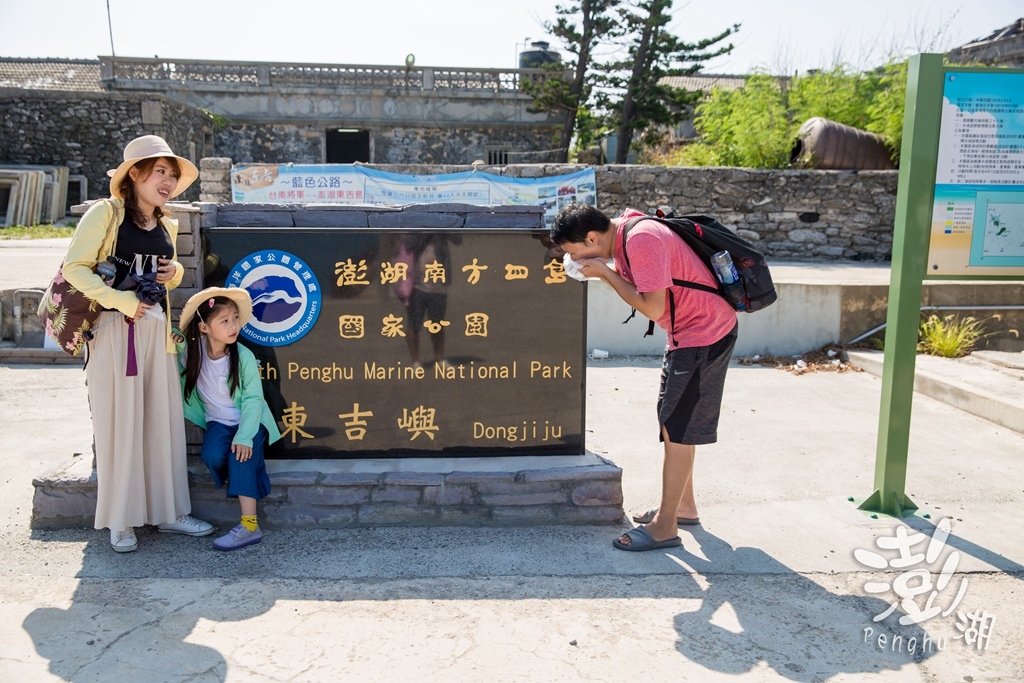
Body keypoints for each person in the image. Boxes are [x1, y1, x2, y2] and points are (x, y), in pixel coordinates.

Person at [550, 203, 738, 552]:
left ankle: (665, 527)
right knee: (672, 423)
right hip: (686, 334)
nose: (575, 261)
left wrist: (605, 274)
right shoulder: (626, 231)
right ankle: (683, 506)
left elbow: (653, 308)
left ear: (592, 238)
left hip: (703, 333)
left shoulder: (641, 241)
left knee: (678, 427)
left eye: (575, 253)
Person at [61, 135, 213, 552]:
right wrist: (120, 300)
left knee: (161, 423)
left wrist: (173, 274)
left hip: (156, 330)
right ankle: (121, 520)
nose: (167, 180)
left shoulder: (166, 222)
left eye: (171, 174)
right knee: (120, 424)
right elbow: (75, 267)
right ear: (134, 175)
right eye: (159, 171)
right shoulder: (105, 214)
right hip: (114, 331)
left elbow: (170, 270)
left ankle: (169, 513)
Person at [175, 287, 282, 551]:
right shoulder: (192, 353)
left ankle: (249, 526)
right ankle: (243, 477)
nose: (234, 325)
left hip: (250, 422)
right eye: (224, 321)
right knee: (212, 456)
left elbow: (253, 400)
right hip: (218, 423)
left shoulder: (242, 356)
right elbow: (174, 344)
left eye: (235, 318)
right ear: (204, 328)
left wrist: (245, 436)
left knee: (241, 456)